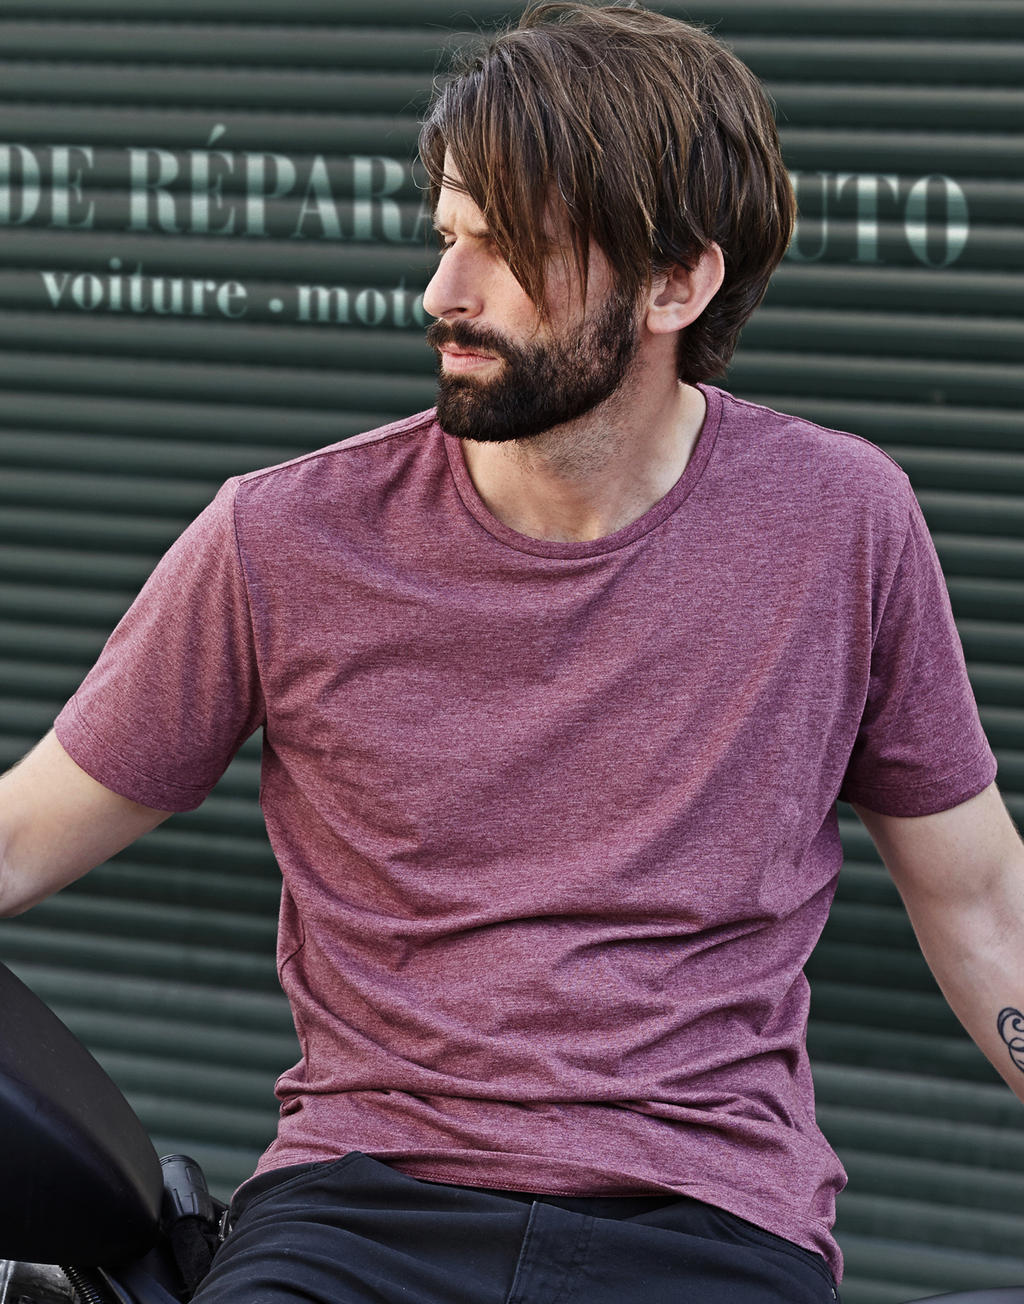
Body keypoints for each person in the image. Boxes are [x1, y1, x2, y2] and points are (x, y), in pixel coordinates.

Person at [1, 3, 1022, 1301]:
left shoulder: (842, 522)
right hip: (356, 1209)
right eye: (448, 235)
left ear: (678, 284)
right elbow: (22, 836)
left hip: (706, 1219)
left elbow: (981, 901)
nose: (443, 293)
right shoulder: (283, 537)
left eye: (508, 249)